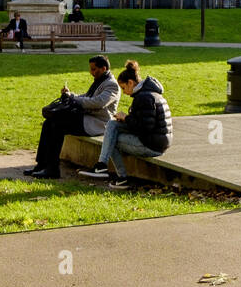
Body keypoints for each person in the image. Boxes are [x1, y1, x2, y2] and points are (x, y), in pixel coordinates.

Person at [79, 60, 172, 188]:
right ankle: (101, 165)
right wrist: (124, 119)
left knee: (112, 140)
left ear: (130, 82)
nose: (124, 92)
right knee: (112, 125)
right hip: (156, 140)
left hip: (152, 145)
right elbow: (144, 122)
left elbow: (144, 128)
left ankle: (121, 177)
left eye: (123, 88)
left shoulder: (144, 97)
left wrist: (126, 118)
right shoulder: (148, 93)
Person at [27, 56, 120, 180]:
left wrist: (74, 99)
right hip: (87, 119)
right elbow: (87, 97)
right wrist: (71, 95)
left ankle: (52, 169)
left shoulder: (112, 85)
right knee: (48, 123)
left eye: (93, 69)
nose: (91, 72)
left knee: (57, 125)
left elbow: (98, 102)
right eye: (90, 69)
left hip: (97, 124)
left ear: (103, 68)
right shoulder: (100, 80)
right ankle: (41, 164)